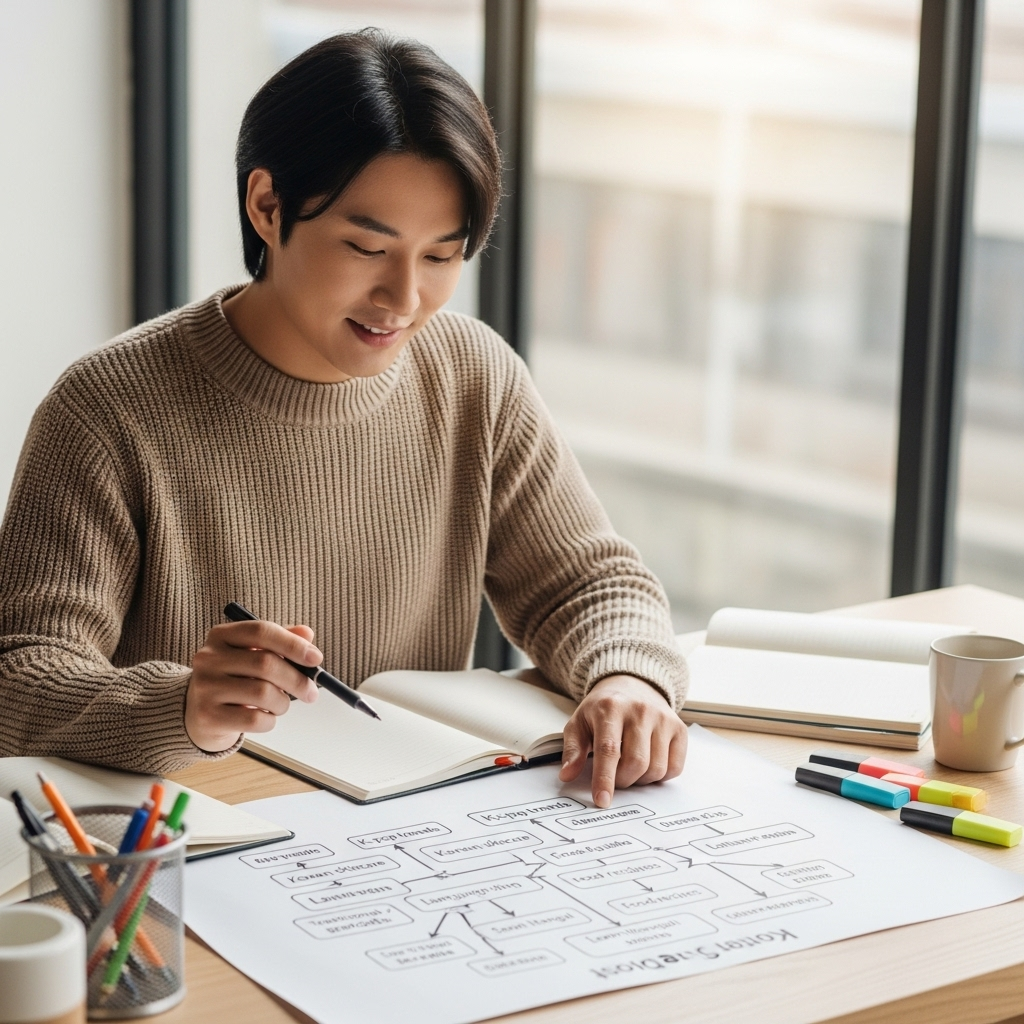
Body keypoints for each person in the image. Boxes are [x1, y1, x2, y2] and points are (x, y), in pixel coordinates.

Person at [0, 29, 686, 808]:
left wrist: (627, 676)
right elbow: (20, 673)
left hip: (412, 829)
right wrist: (186, 705)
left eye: (440, 257)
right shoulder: (106, 409)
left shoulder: (473, 373)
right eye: (366, 248)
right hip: (194, 835)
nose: (404, 300)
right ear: (267, 206)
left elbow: (587, 582)